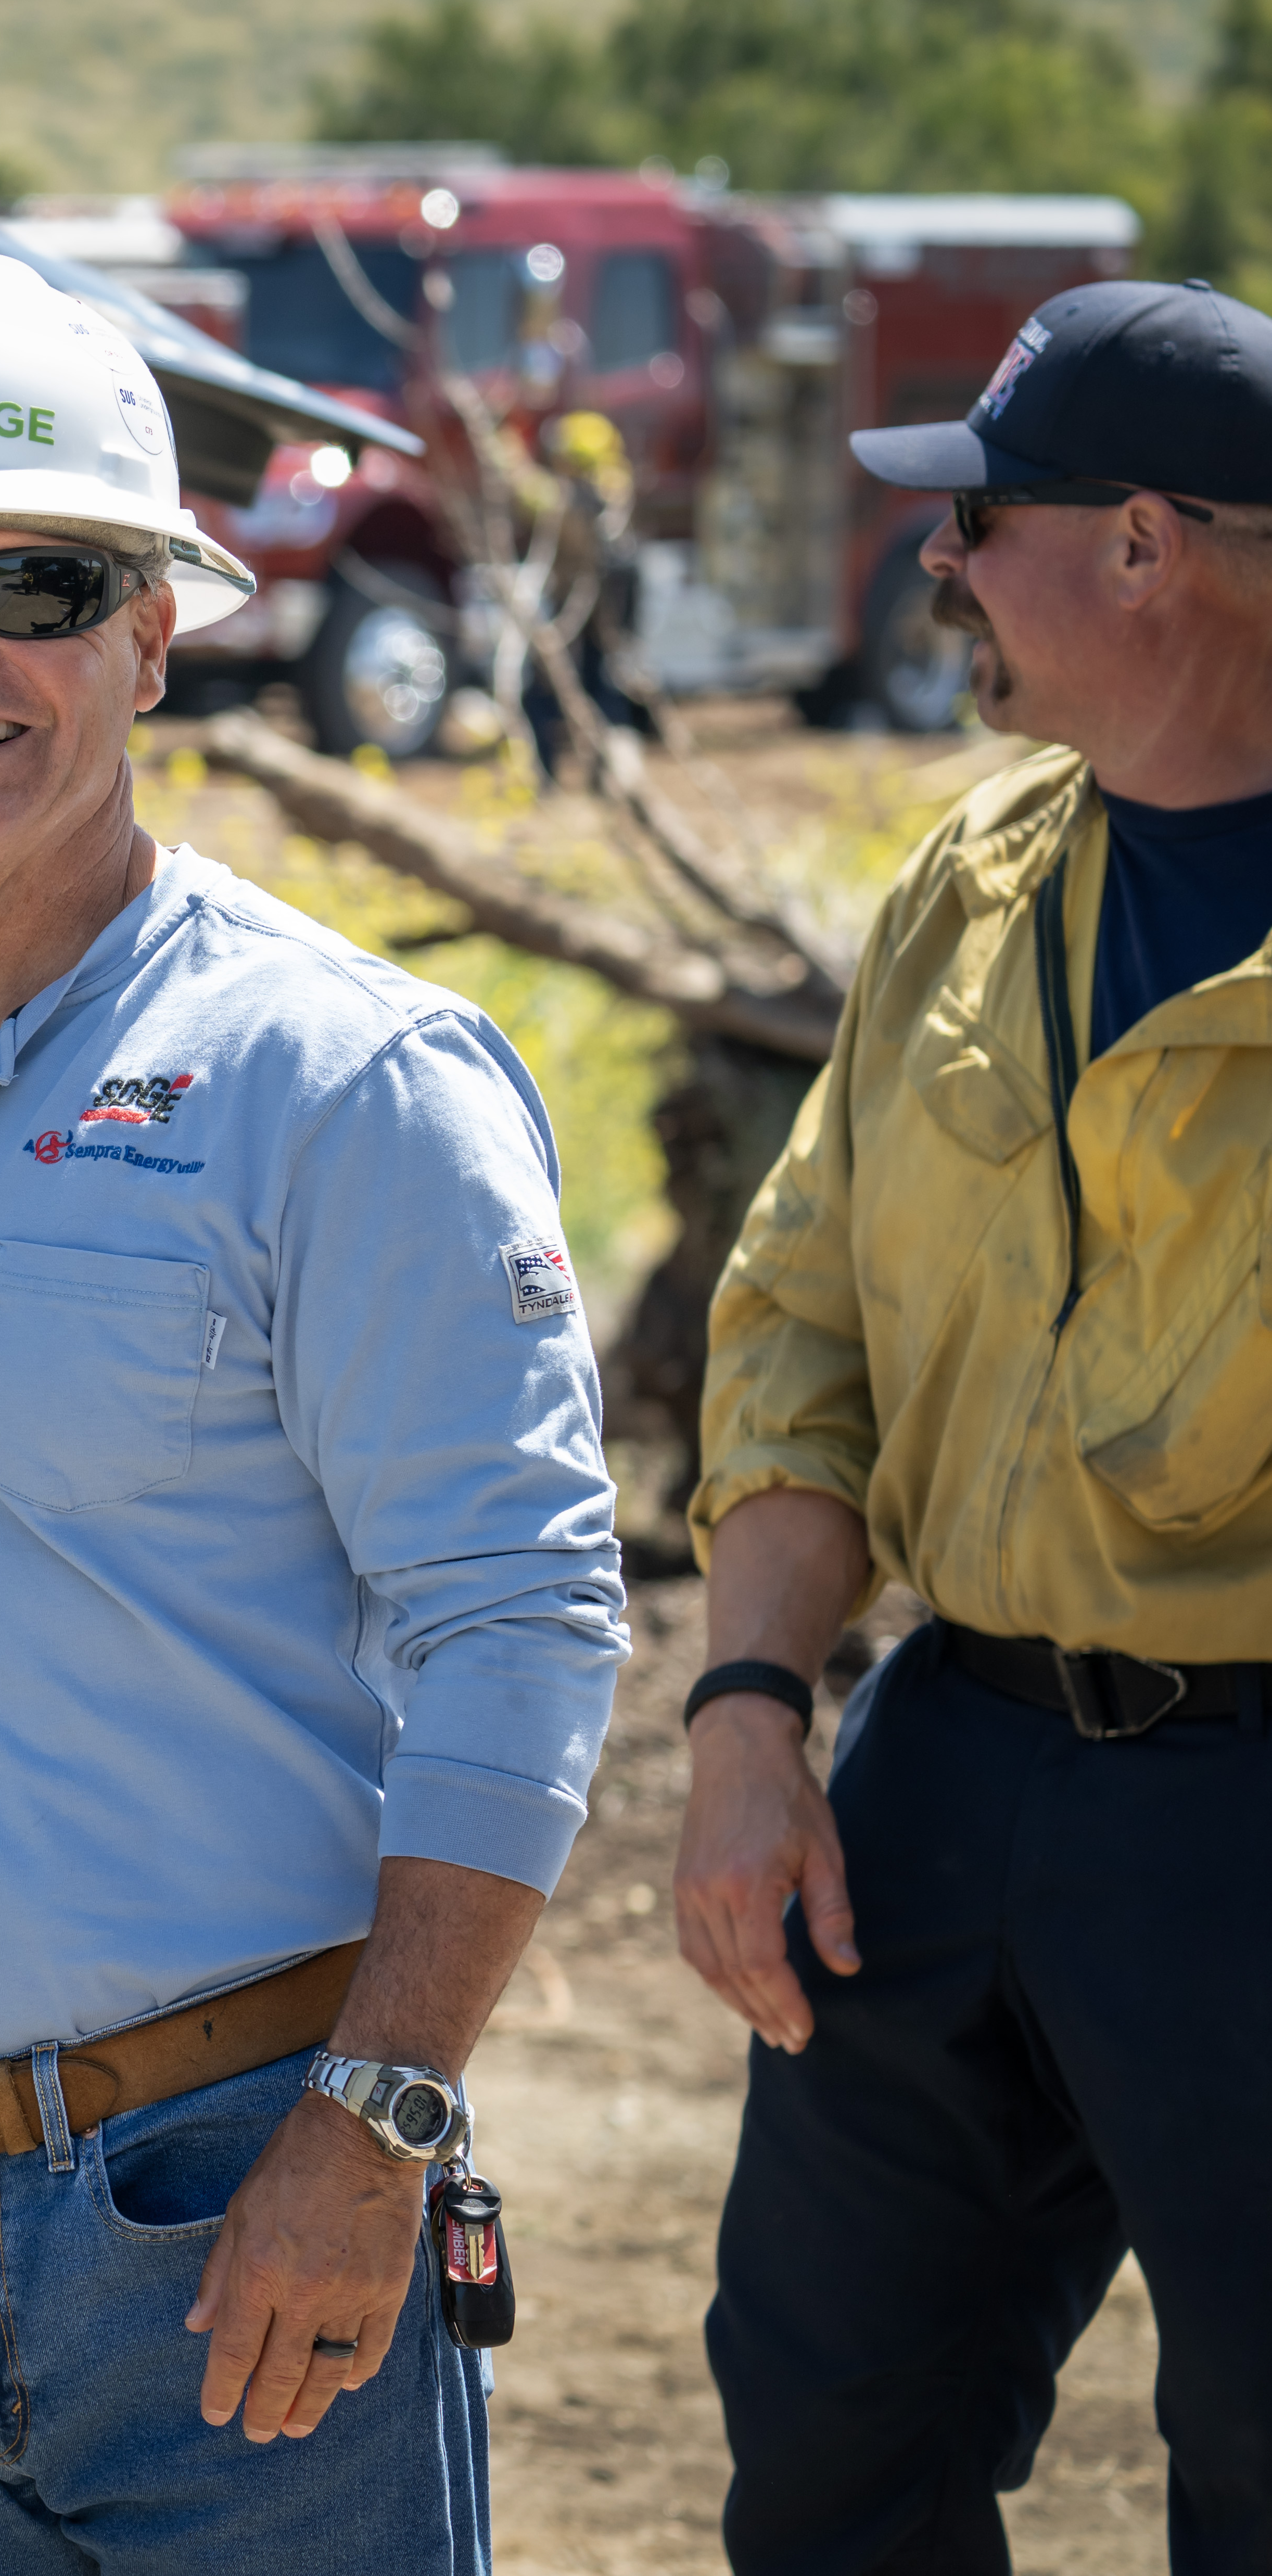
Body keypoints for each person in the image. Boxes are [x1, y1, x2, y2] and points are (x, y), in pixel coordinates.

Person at [0, 249, 630, 2572]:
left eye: (41, 583)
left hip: (232, 2198)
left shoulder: (343, 1078)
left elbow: (524, 1622)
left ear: (154, 637)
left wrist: (371, 2125)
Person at [675, 278, 1272, 2575]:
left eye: (977, 520)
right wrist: (746, 1710)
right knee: (828, 2452)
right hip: (942, 1776)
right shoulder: (975, 871)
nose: (931, 564)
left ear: (1144, 546)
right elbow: (800, 1306)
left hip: (1245, 1824)